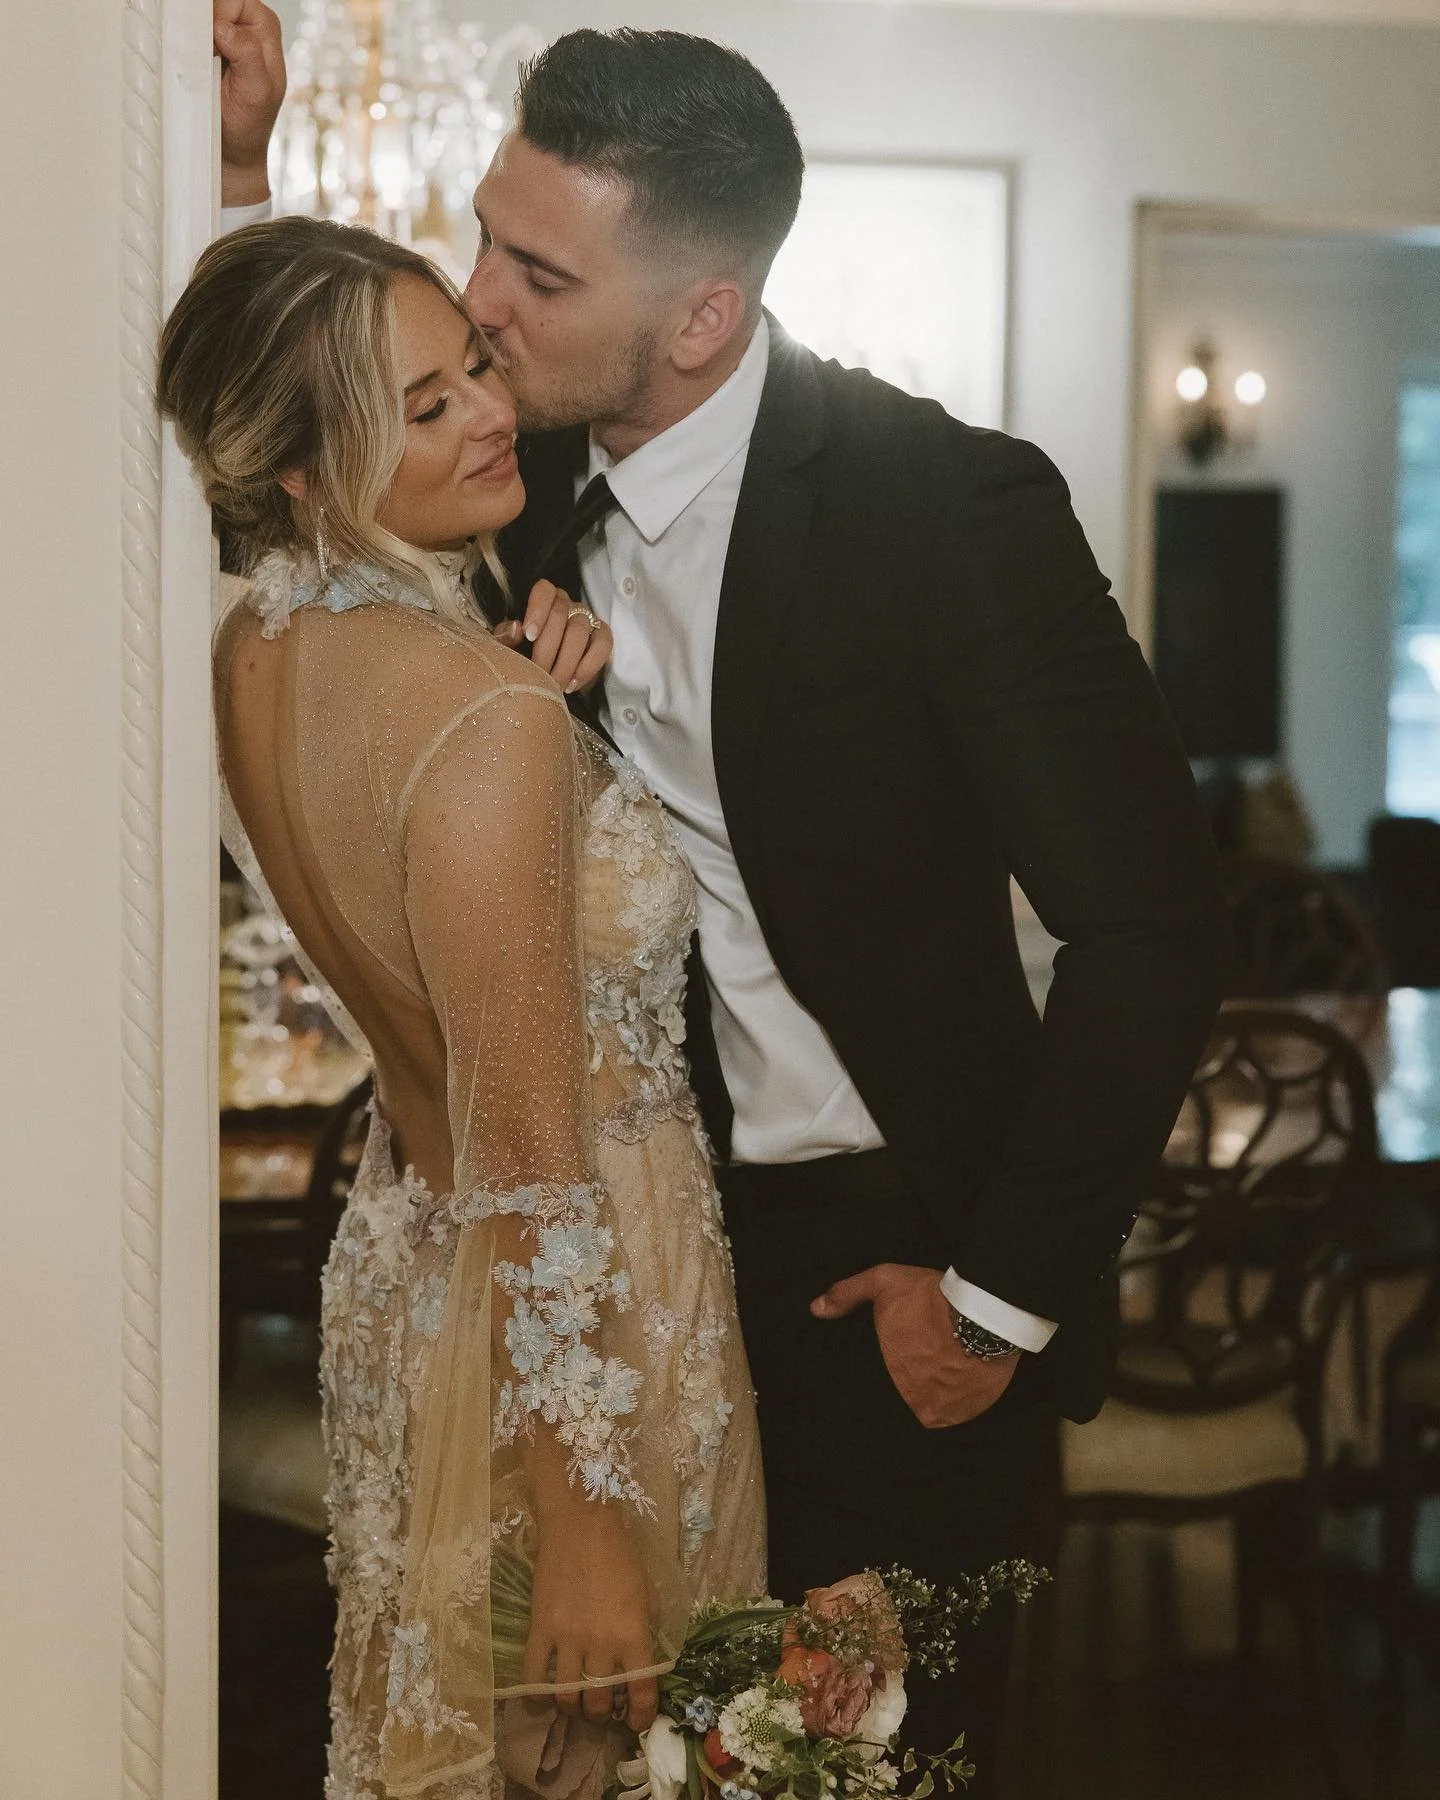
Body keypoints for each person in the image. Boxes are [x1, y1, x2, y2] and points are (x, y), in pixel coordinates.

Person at [215, 9, 1230, 1787]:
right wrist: (235, 178)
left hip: (886, 1283)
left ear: (701, 315)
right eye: (482, 237)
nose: (479, 306)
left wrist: (994, 1296)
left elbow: (1154, 924)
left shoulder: (948, 511)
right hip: (618, 1287)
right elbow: (288, 457)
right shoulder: (490, 485)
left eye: (534, 270)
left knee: (827, 1772)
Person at [159, 215, 765, 1800]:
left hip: (408, 1273)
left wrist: (235, 169)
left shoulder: (255, 649)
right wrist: (586, 1519)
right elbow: (531, 1157)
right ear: (305, 466)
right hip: (586, 1315)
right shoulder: (478, 714)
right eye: (425, 409)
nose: (492, 410)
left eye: (474, 364)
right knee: (601, 1751)